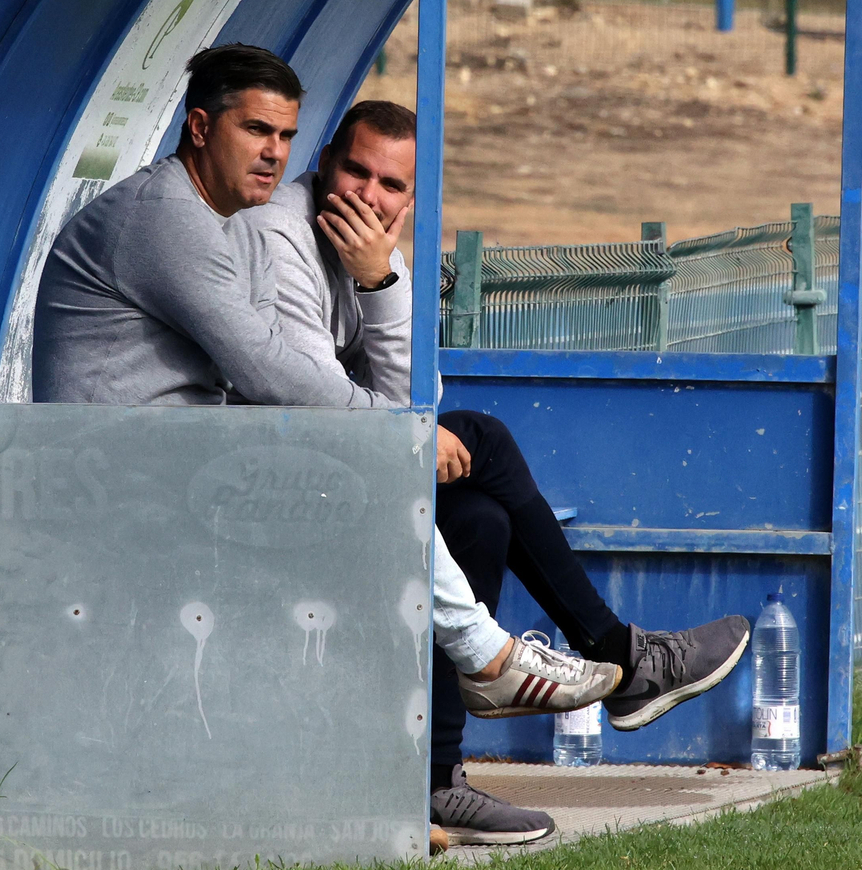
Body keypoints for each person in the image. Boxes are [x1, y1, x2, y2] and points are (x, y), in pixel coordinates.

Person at [29, 45, 622, 841]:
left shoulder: (224, 223)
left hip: (182, 469)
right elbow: (275, 374)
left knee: (466, 507)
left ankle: (429, 772)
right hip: (130, 491)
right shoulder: (168, 218)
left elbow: (336, 388)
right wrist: (395, 435)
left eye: (285, 134)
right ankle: (489, 662)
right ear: (200, 128)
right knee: (391, 459)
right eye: (255, 130)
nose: (274, 151)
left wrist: (383, 296)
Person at [228, 99, 753, 844]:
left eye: (391, 185)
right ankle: (622, 657)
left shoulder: (375, 252)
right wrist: (387, 321)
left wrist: (381, 284)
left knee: (480, 518)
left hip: (336, 482)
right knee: (481, 436)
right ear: (323, 167)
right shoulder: (279, 236)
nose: (369, 196)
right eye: (355, 171)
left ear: (410, 199)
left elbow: (414, 397)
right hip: (267, 492)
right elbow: (319, 406)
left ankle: (439, 783)